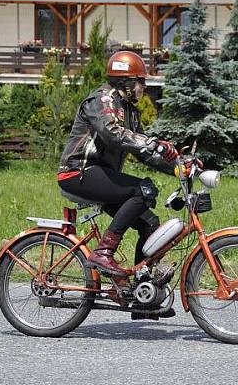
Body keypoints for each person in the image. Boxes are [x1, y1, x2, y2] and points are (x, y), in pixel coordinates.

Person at [57, 50, 179, 285]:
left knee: (149, 224)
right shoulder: (102, 100)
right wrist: (152, 142)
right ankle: (103, 253)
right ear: (128, 82)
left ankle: (140, 288)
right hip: (78, 171)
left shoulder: (131, 112)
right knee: (142, 189)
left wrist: (178, 166)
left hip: (103, 176)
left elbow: (143, 152)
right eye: (141, 83)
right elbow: (112, 133)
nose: (143, 89)